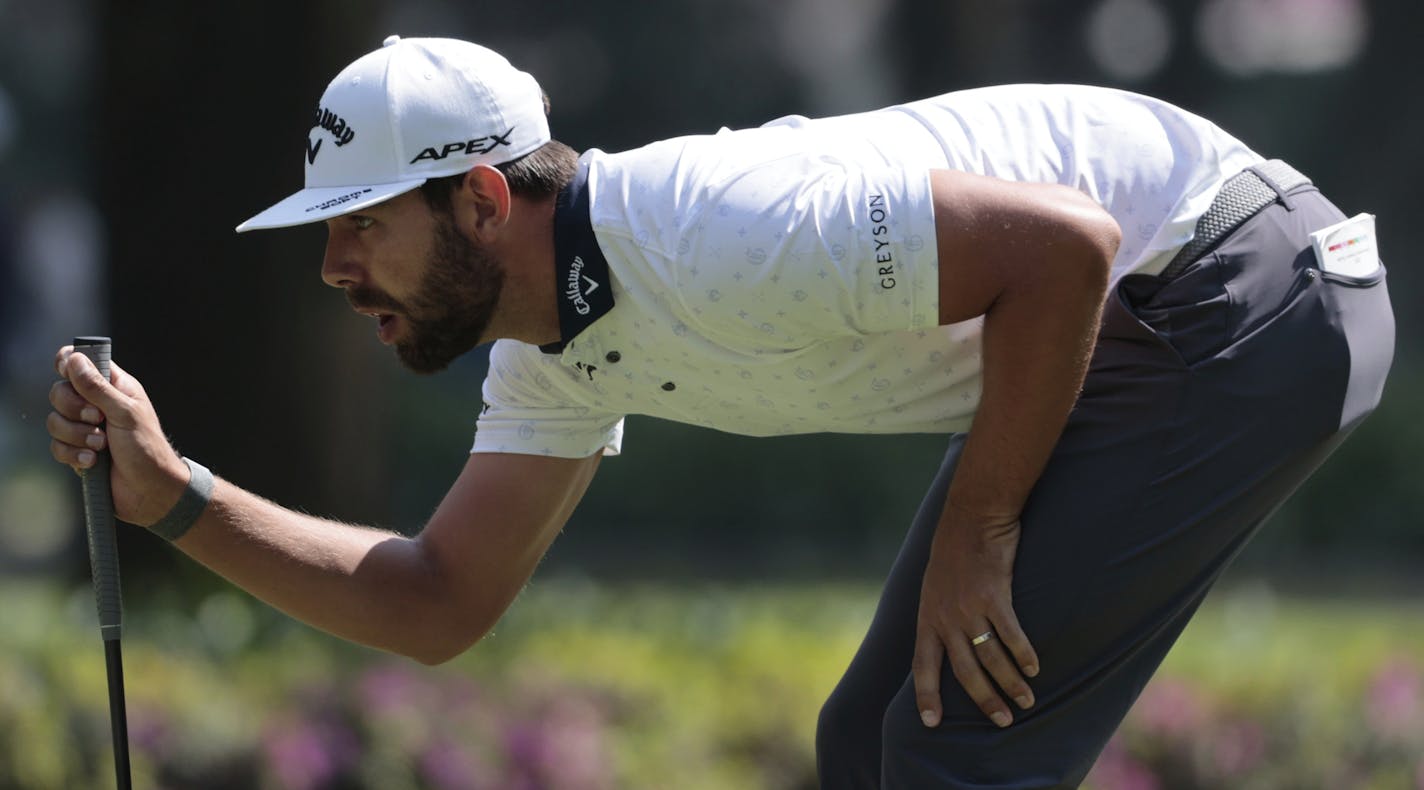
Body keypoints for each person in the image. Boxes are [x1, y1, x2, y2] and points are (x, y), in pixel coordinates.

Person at [47, 35, 1393, 788]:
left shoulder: (707, 226)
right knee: (868, 751)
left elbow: (1066, 250)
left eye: (361, 230)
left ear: (483, 201)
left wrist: (981, 528)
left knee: (947, 758)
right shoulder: (554, 344)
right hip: (1158, 321)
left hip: (1244, 293)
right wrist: (175, 496)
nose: (336, 273)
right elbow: (438, 597)